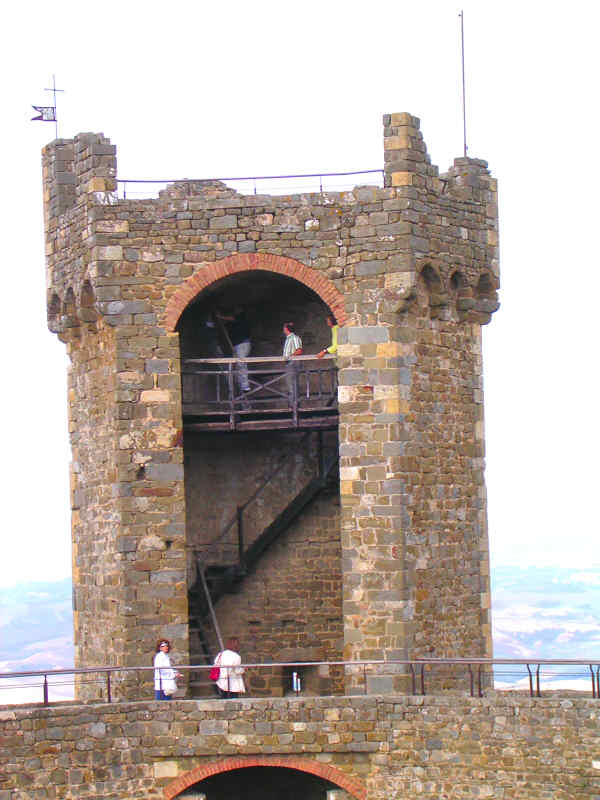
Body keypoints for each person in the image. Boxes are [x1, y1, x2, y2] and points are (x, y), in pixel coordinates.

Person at [216, 307, 252, 394]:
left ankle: (245, 386)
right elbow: (227, 323)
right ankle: (240, 386)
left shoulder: (242, 317)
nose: (234, 311)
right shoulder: (234, 321)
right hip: (237, 345)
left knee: (241, 363)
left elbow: (231, 319)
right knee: (237, 365)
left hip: (242, 344)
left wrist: (220, 316)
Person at [282, 322, 303, 405]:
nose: (283, 329)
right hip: (289, 363)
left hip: (293, 363)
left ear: (287, 329)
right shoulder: (288, 338)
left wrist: (290, 356)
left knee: (292, 385)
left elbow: (299, 350)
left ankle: (294, 405)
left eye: (284, 328)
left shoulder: (294, 338)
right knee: (290, 384)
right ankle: (292, 404)